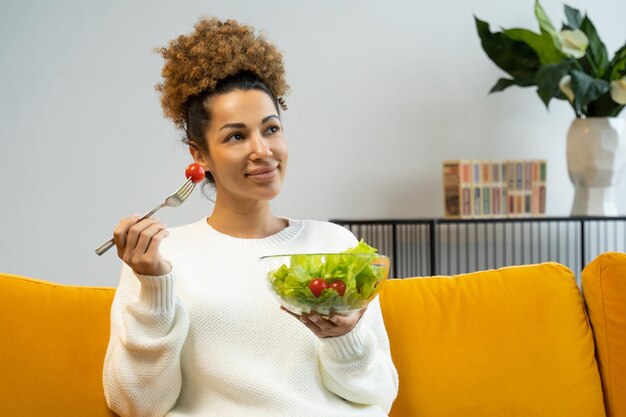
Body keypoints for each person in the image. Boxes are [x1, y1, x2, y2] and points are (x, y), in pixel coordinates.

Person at [103, 17, 398, 417]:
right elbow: (135, 404)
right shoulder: (162, 259)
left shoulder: (334, 246)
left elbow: (379, 395)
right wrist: (155, 286)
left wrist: (344, 339)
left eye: (271, 129)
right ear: (199, 156)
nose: (263, 150)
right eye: (236, 136)